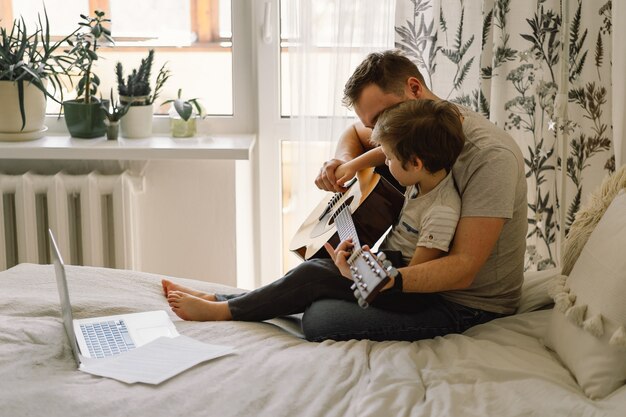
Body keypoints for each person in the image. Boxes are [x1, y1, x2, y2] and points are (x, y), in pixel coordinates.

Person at [163, 98, 484, 341]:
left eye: (389, 158)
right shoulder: (422, 179)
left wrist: (356, 272)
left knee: (313, 274)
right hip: (387, 268)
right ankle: (223, 300)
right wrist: (350, 167)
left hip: (406, 294)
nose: (384, 161)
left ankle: (223, 311)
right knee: (316, 269)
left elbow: (413, 282)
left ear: (414, 162)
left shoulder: (441, 210)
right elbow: (379, 150)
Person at [306, 49, 527, 341]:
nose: (379, 135)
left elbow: (463, 268)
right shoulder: (410, 126)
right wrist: (343, 162)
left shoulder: (489, 156)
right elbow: (354, 132)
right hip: (410, 273)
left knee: (319, 319)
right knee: (313, 278)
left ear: (414, 88)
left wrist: (383, 280)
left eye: (382, 117)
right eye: (375, 127)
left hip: (467, 304)